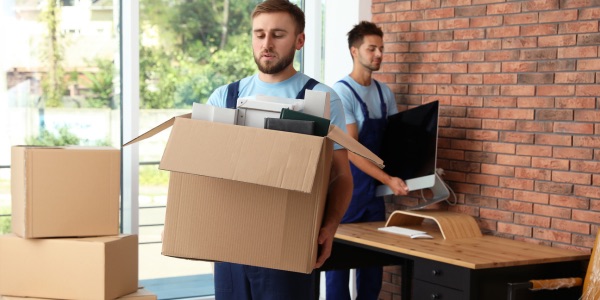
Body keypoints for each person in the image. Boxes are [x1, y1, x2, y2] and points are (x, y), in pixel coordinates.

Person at [206, 1, 353, 299]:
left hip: (289, 240)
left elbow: (341, 175)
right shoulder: (224, 97)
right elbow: (202, 170)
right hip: (229, 244)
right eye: (259, 34)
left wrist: (330, 225)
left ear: (299, 40)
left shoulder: (322, 99)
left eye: (278, 34)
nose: (267, 44)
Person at [325, 21, 409, 300]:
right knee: (338, 265)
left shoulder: (385, 93)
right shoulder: (341, 93)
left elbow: (394, 143)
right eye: (371, 48)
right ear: (354, 51)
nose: (378, 54)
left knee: (373, 268)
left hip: (374, 194)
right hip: (347, 189)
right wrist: (387, 179)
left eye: (382, 49)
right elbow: (350, 150)